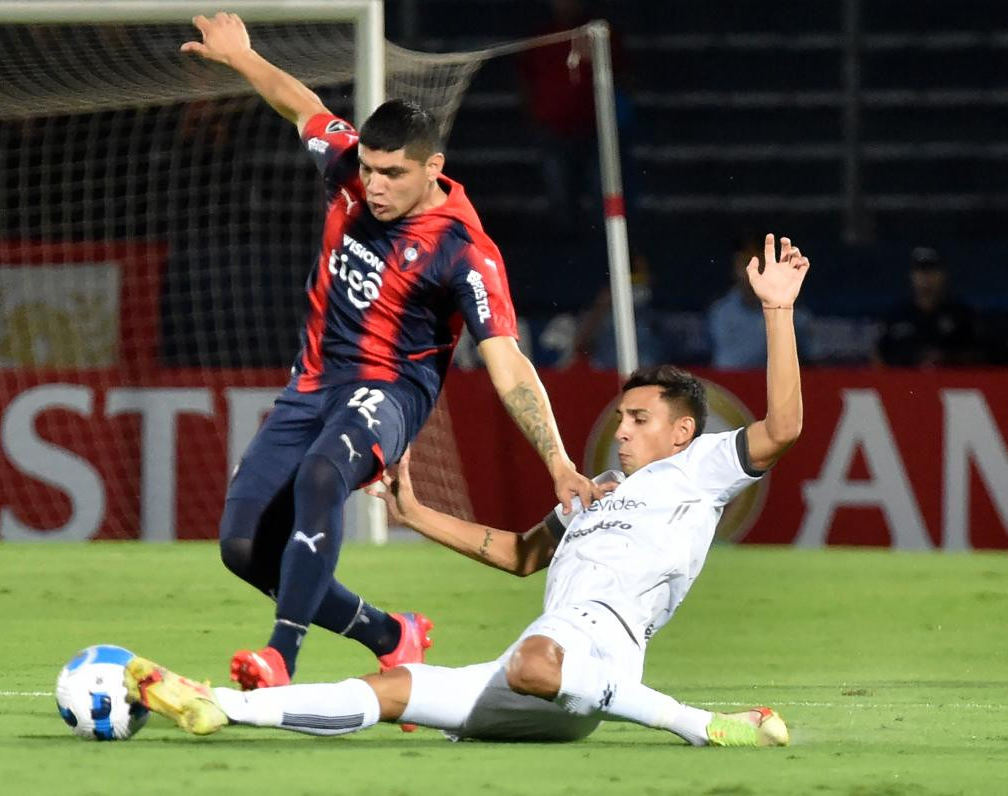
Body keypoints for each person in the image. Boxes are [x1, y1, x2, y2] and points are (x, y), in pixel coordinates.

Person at [124, 234, 810, 747]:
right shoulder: (599, 489)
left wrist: (777, 311)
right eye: (622, 417)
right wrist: (416, 512)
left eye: (640, 419)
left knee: (535, 659)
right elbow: (518, 554)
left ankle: (707, 727)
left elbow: (784, 426)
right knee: (391, 691)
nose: (623, 431)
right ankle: (218, 705)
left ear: (683, 431)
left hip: (592, 654)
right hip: (544, 672)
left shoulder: (702, 469)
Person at [179, 13, 605, 692]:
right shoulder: (349, 167)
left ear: (433, 167)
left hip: (390, 393)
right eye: (370, 169)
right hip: (312, 384)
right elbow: (303, 106)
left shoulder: (464, 252)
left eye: (393, 174)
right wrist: (242, 57)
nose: (374, 185)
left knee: (322, 477)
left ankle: (279, 659)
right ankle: (389, 635)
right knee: (242, 548)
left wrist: (556, 458)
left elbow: (507, 360)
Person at [707, 234, 813, 369]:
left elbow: (809, 365)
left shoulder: (795, 316)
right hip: (729, 387)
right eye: (745, 263)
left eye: (760, 263)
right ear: (735, 267)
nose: (752, 271)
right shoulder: (719, 313)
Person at [874, 246, 980, 367]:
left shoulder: (961, 313)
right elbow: (878, 355)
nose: (926, 278)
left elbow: (978, 355)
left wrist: (947, 357)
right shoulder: (896, 314)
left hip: (952, 382)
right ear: (911, 276)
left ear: (943, 275)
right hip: (904, 383)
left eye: (932, 271)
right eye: (920, 271)